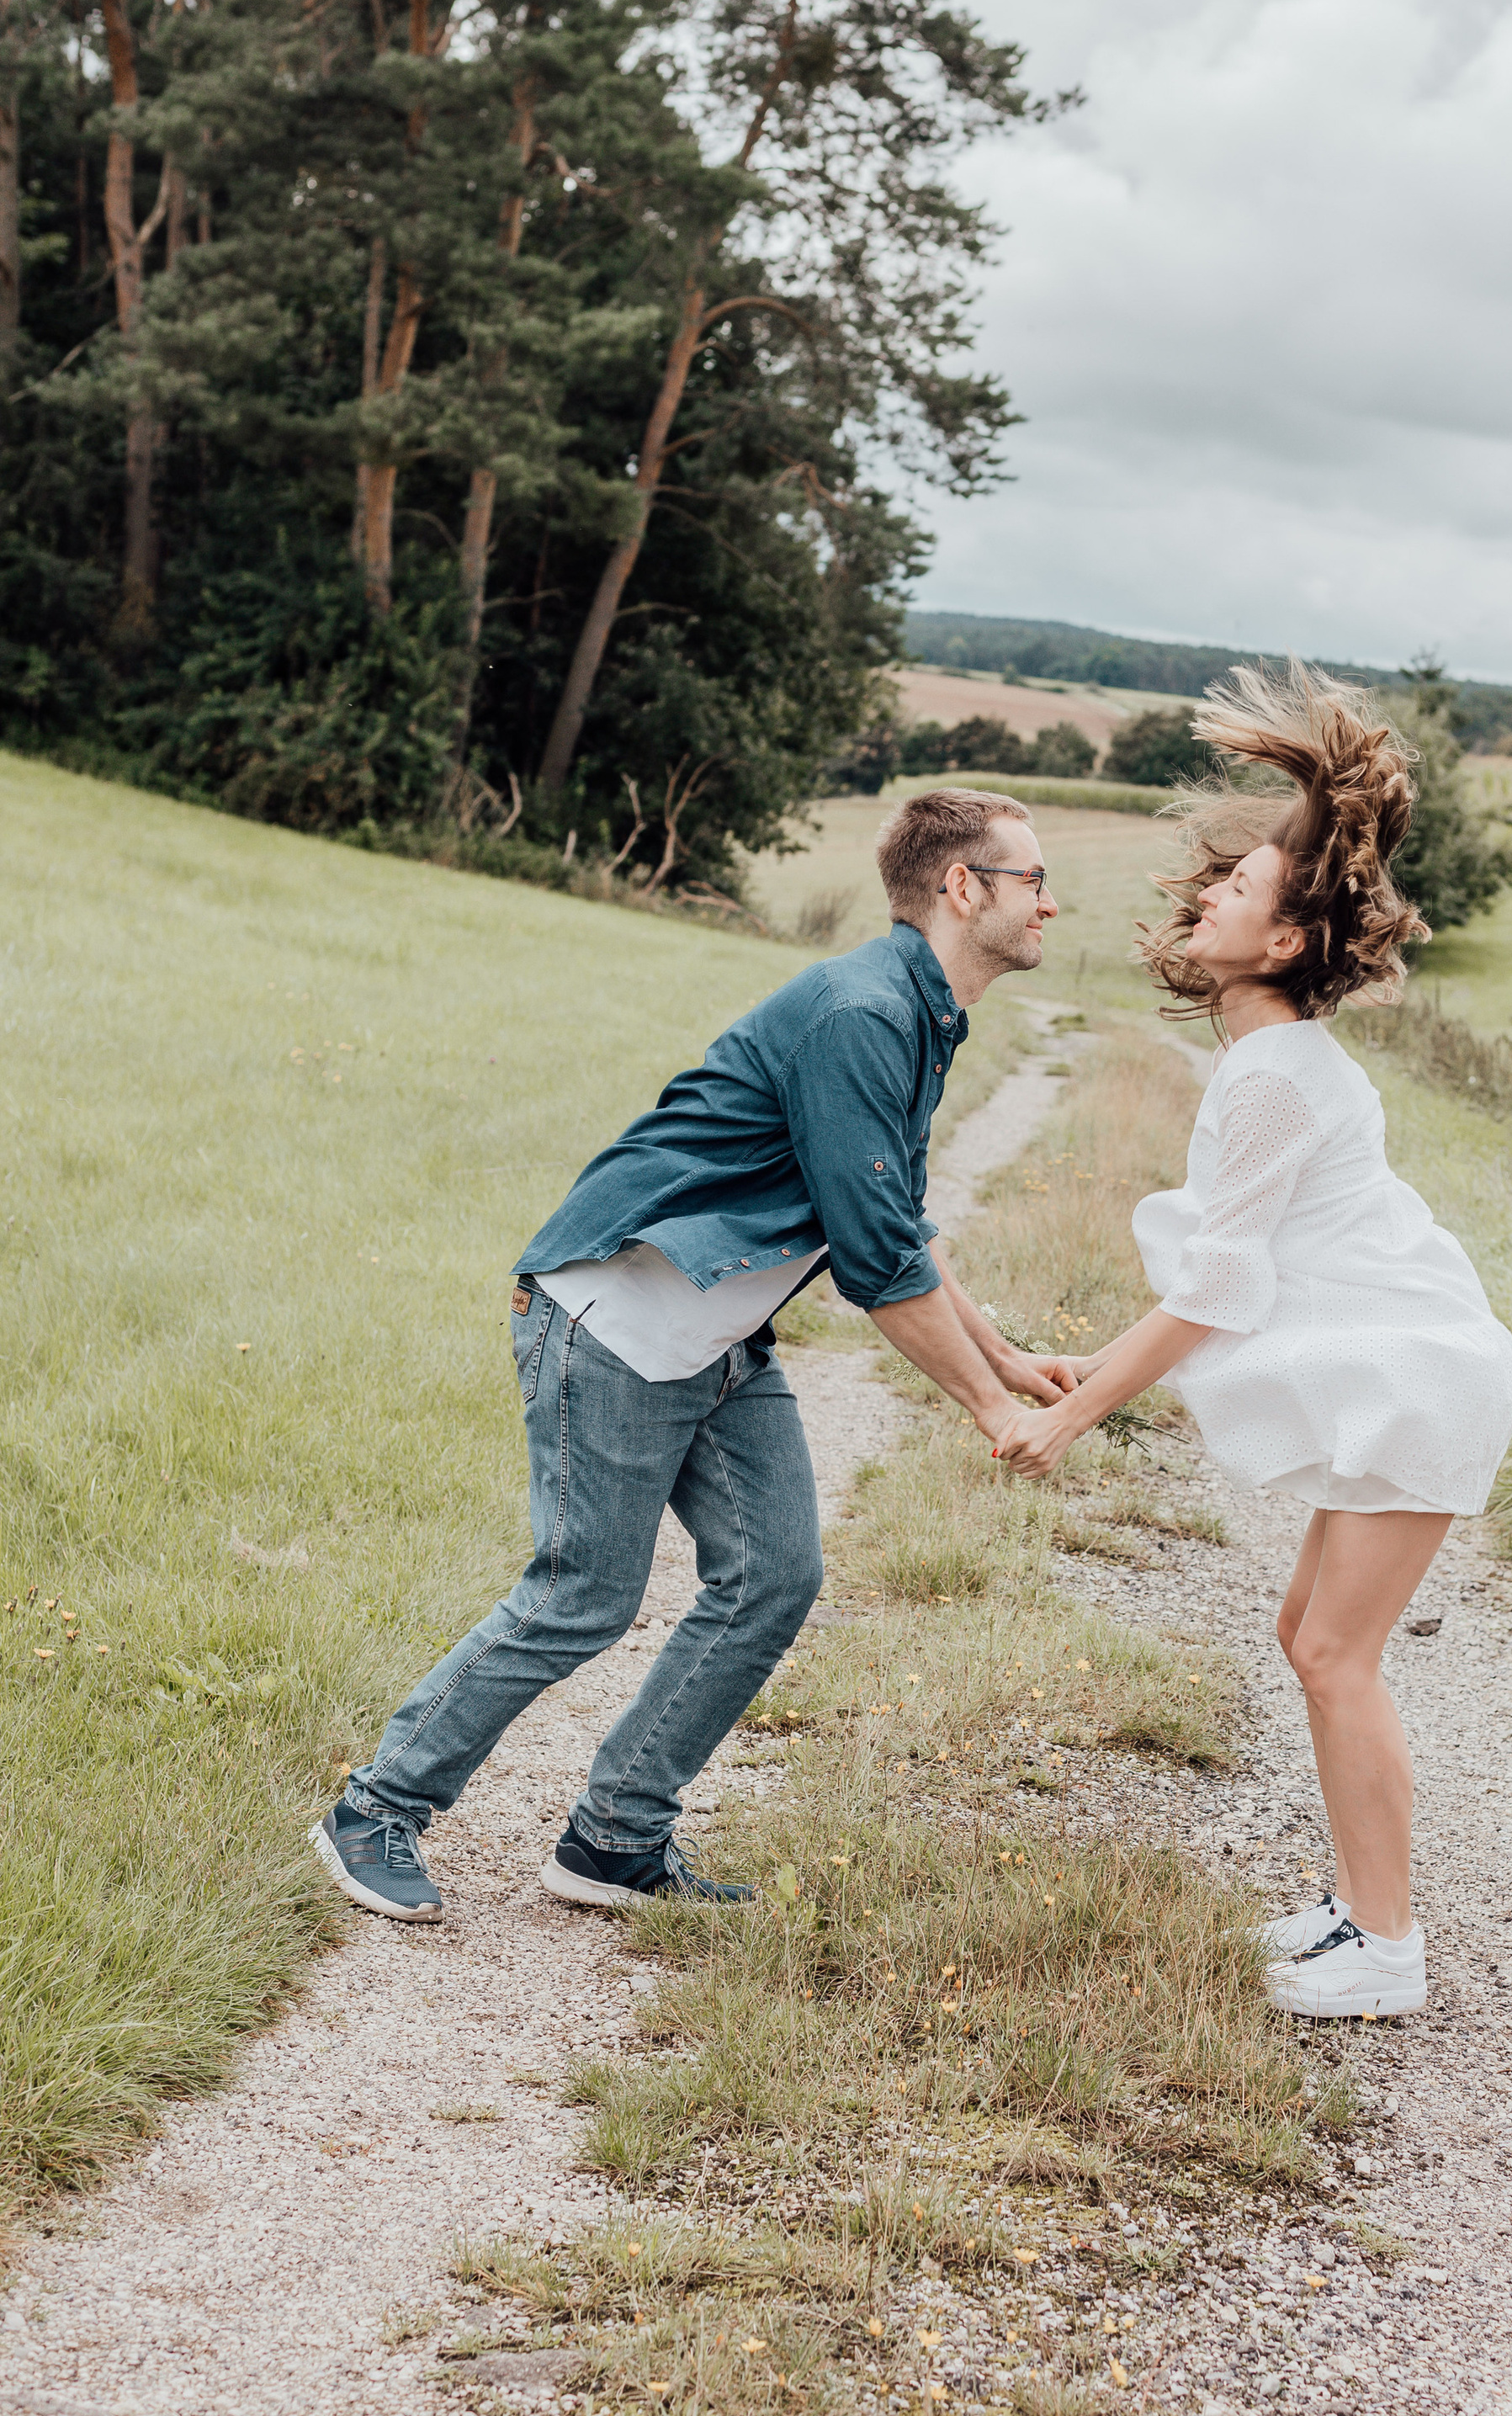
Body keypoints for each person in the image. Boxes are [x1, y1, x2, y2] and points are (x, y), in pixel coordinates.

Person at [310, 788, 1075, 1926]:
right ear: (962, 888)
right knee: (585, 1596)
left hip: (711, 1334)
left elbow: (896, 1220)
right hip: (618, 1319)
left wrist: (1003, 1356)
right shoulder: (863, 1012)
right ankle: (374, 1809)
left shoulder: (916, 1013)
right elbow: (876, 1267)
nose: (1051, 904)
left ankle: (616, 1838)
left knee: (774, 1571)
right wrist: (986, 1408)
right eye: (1033, 881)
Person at [993, 665, 1512, 2020]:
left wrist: (1072, 1410)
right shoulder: (1263, 1065)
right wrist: (1084, 1370)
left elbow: (1216, 1290)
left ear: (1289, 946)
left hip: (1420, 1382)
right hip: (1405, 1371)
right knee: (1310, 1634)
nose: (1216, 890)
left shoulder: (1278, 1074)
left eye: (1247, 889)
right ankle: (1357, 1915)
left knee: (1339, 1655)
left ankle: (1389, 1950)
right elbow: (1228, 1273)